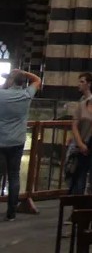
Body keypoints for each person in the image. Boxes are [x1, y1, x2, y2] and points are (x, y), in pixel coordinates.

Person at [0, 68, 41, 220]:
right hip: (17, 141)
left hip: (1, 141)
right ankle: (11, 213)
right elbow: (37, 80)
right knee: (14, 176)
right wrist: (22, 73)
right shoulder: (26, 95)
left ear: (10, 81)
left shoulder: (1, 94)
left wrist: (9, 78)